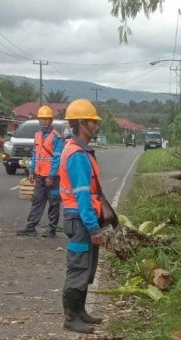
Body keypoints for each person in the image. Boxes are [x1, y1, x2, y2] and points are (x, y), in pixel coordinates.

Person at [59, 98, 118, 334]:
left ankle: (81, 311)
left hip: (83, 218)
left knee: (87, 268)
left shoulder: (83, 151)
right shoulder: (77, 155)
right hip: (80, 220)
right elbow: (83, 196)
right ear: (81, 123)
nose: (97, 126)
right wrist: (93, 228)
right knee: (78, 268)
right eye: (93, 122)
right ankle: (71, 317)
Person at [17, 106, 64, 237]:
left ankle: (51, 229)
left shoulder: (57, 137)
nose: (43, 122)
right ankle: (30, 227)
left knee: (53, 203)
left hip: (52, 178)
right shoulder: (37, 136)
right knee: (37, 201)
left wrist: (51, 176)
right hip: (40, 176)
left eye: (46, 119)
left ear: (51, 120)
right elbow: (35, 155)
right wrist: (31, 171)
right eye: (41, 119)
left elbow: (57, 158)